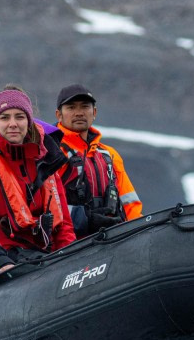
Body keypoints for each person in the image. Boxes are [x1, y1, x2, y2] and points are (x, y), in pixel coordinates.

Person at [0, 86, 76, 277]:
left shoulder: (46, 163)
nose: (13, 124)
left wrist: (72, 260)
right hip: (1, 263)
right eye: (5, 117)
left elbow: (64, 227)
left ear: (29, 122)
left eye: (19, 117)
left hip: (44, 260)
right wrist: (1, 263)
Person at [54, 84, 142, 237]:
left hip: (111, 240)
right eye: (71, 107)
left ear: (94, 112)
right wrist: (85, 219)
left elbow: (130, 205)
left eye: (85, 107)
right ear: (59, 115)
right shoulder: (52, 152)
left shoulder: (109, 155)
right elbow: (44, 206)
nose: (79, 113)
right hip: (68, 245)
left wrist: (140, 232)